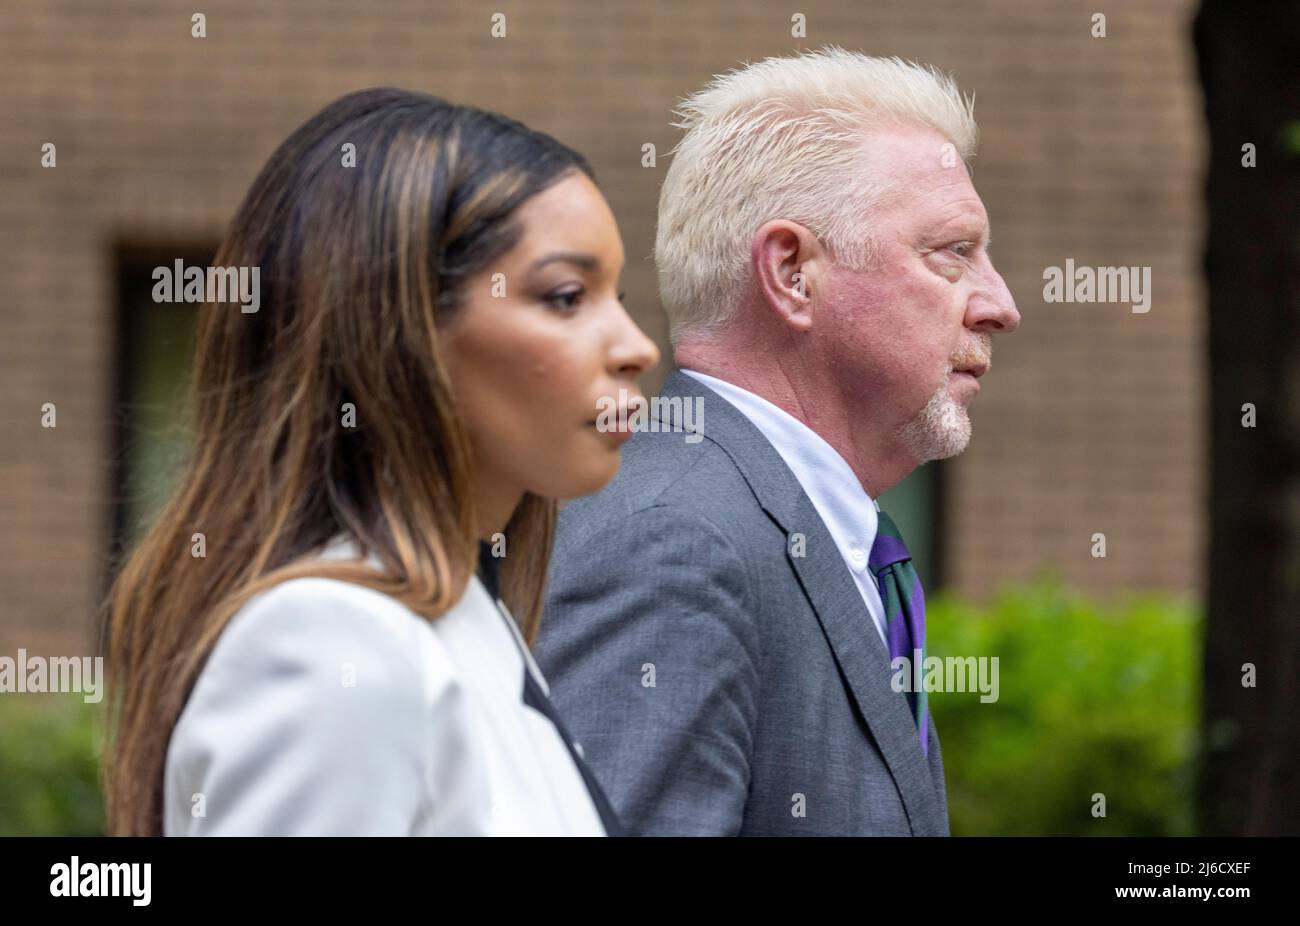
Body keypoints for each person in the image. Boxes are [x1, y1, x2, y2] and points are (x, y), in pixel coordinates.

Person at [100, 87, 659, 836]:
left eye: (614, 296)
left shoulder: (470, 623)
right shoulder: (333, 643)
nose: (637, 347)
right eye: (566, 296)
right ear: (400, 331)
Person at [535, 48, 1021, 835]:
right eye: (953, 253)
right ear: (793, 271)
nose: (999, 304)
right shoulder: (671, 545)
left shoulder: (776, 529)